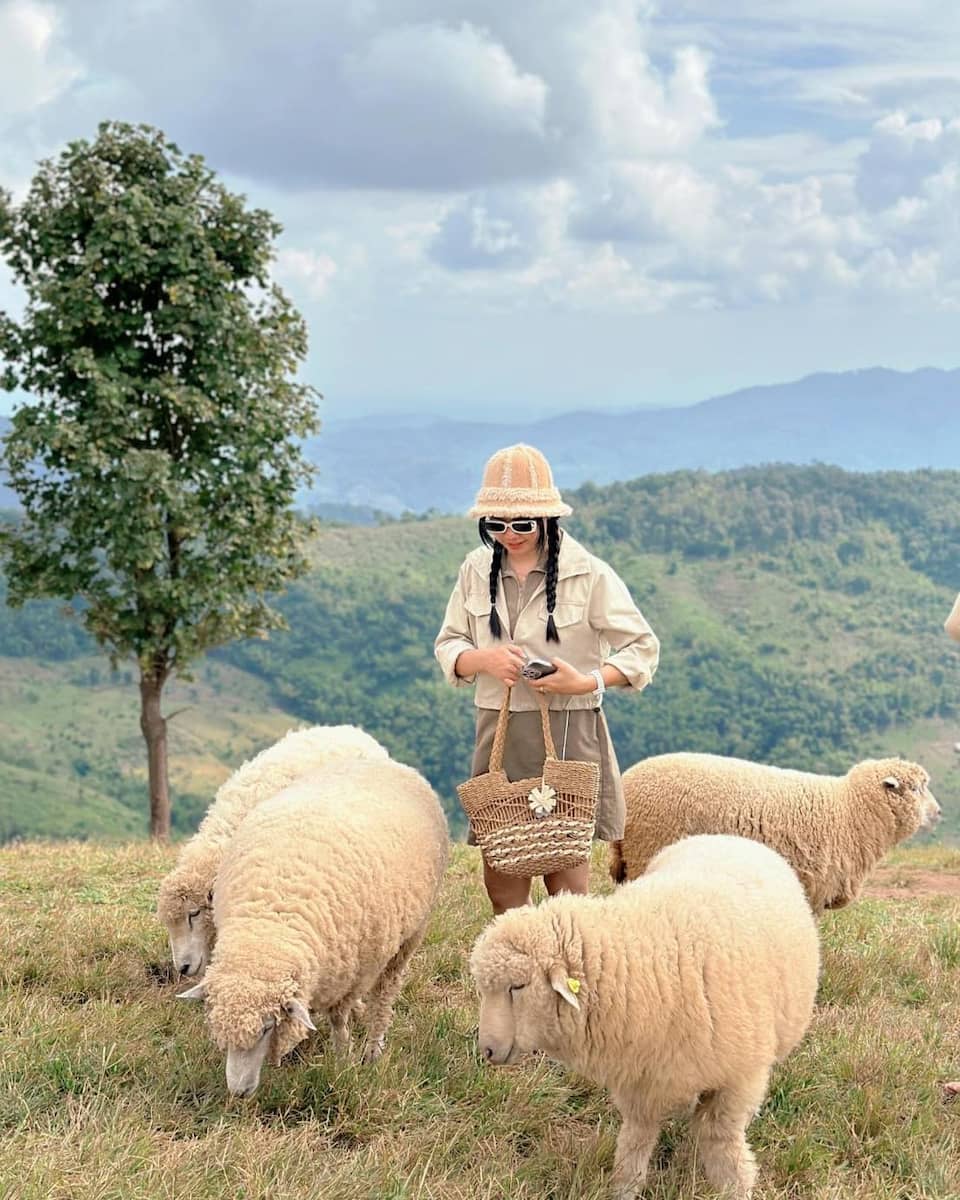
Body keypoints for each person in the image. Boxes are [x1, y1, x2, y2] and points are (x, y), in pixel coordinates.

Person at [434, 443, 659, 915]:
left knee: (567, 875)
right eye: (496, 525)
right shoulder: (475, 570)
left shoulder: (589, 573)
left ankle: (571, 974)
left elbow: (643, 648)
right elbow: (449, 643)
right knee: (503, 872)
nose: (509, 534)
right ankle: (517, 976)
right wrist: (483, 661)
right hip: (498, 727)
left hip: (570, 727)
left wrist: (587, 682)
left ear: (547, 520)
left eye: (522, 524)